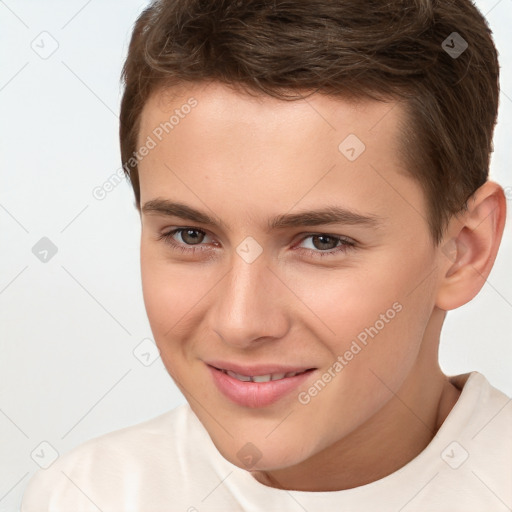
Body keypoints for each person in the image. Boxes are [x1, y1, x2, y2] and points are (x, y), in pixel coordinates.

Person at [21, 0, 511, 510]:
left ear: (464, 250)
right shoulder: (88, 495)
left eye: (322, 242)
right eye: (191, 235)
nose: (240, 322)